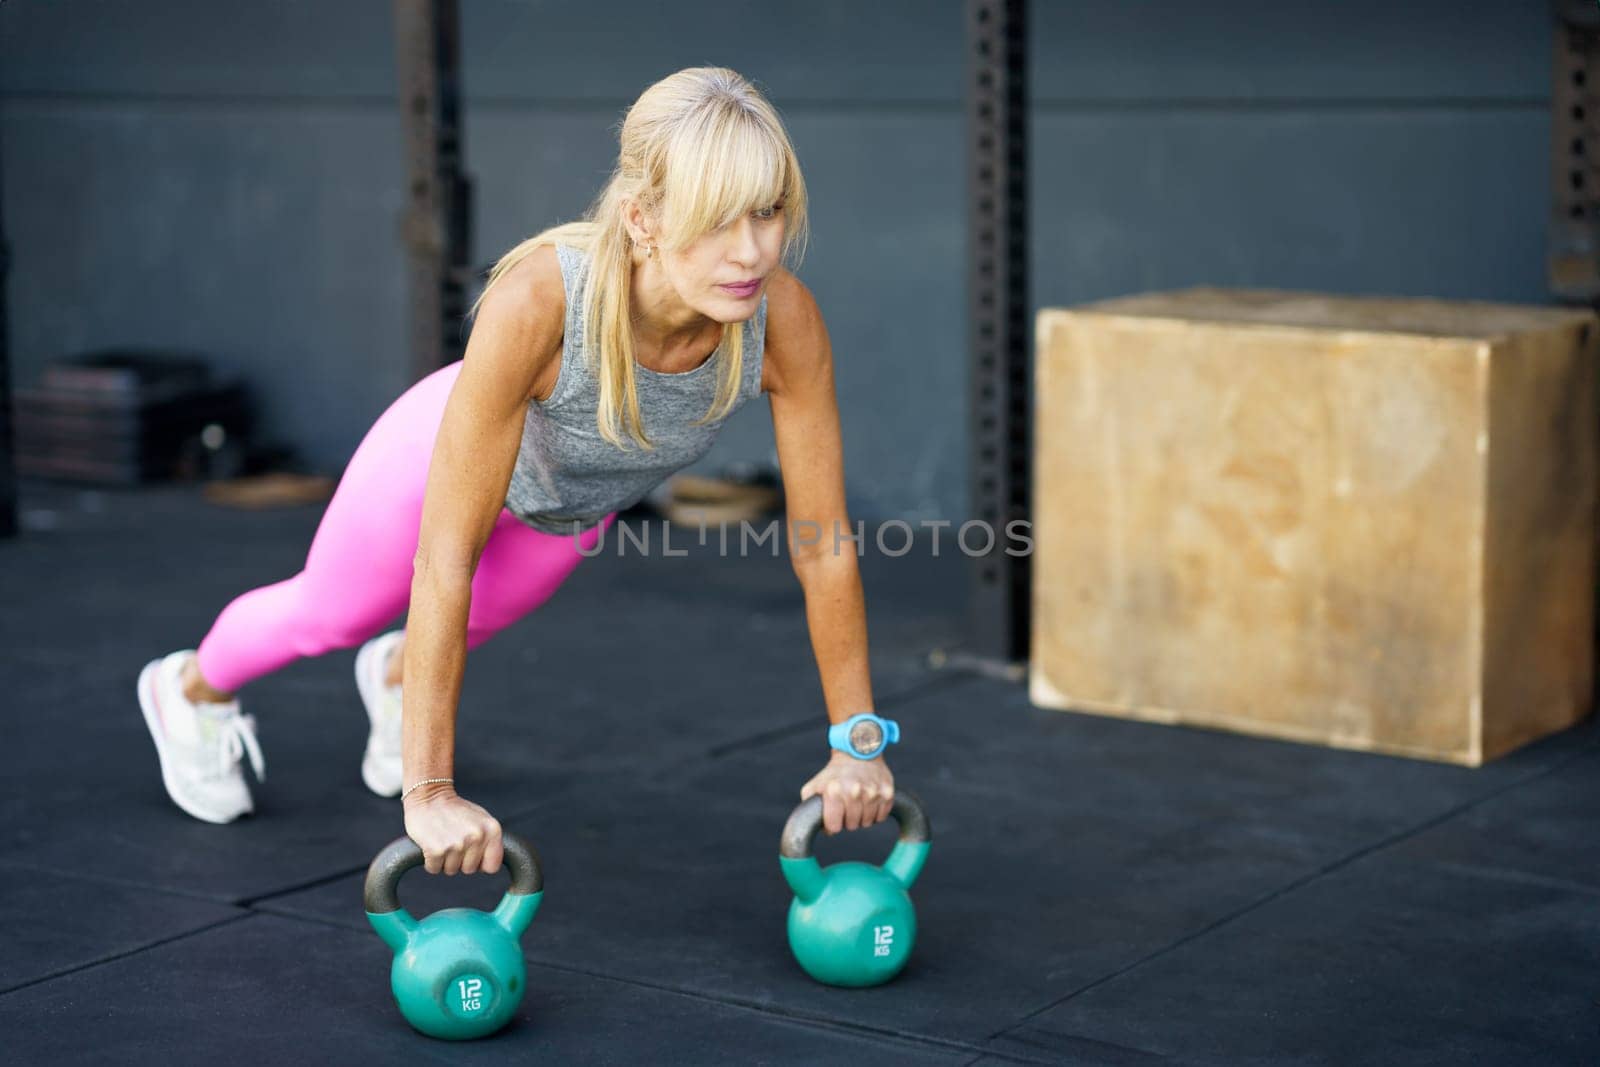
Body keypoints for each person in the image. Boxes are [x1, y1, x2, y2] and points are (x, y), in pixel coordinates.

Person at [136, 66, 898, 878]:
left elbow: (821, 542)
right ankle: (190, 691)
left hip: (567, 509)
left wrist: (857, 740)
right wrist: (429, 790)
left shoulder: (783, 320)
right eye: (718, 222)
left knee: (470, 626)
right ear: (643, 220)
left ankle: (396, 680)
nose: (751, 251)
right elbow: (444, 558)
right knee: (332, 614)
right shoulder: (543, 303)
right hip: (433, 462)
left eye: (768, 212)